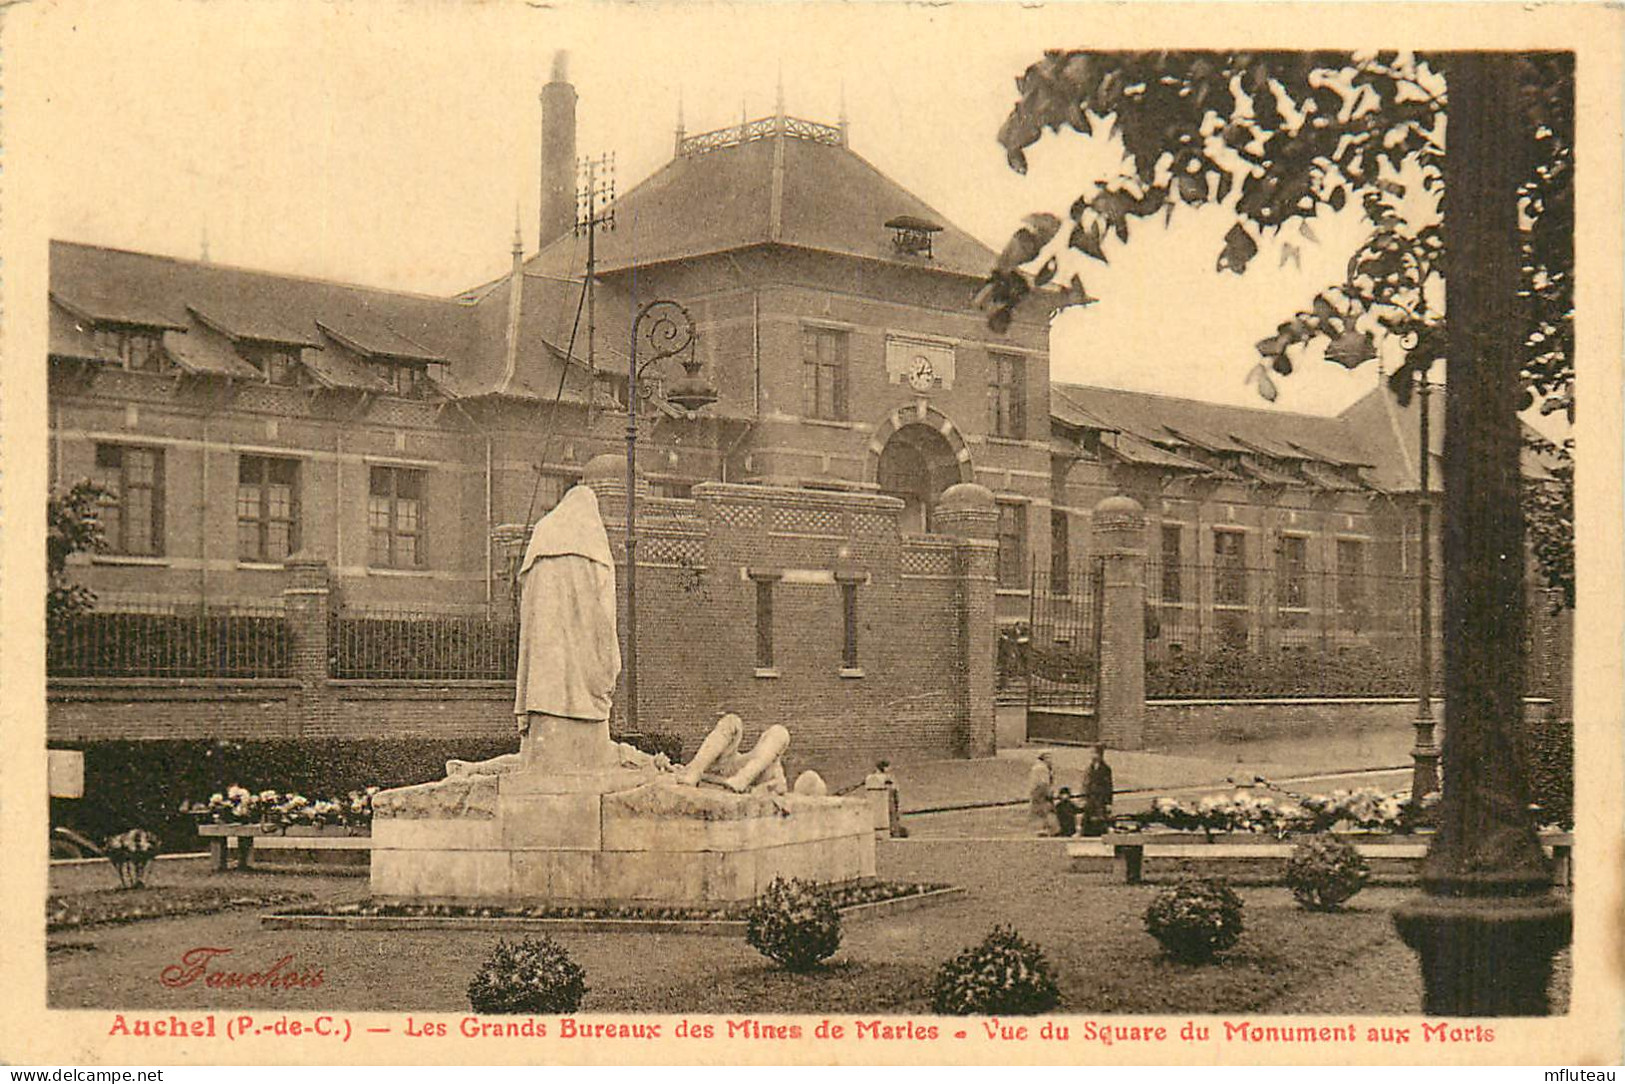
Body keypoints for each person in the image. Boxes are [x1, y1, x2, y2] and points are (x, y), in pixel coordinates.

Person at [1081, 743, 1114, 836]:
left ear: (1100, 755)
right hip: (1090, 798)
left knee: (1100, 818)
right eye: (1091, 753)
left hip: (1100, 799)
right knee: (1088, 816)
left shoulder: (1106, 769)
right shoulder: (1089, 768)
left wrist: (1108, 802)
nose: (1093, 756)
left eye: (1094, 753)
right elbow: (1085, 784)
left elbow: (1108, 786)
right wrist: (1083, 797)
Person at [1028, 751, 1056, 834]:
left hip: (1037, 792)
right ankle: (1044, 828)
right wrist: (1049, 792)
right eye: (1048, 757)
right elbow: (1044, 783)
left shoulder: (1042, 767)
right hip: (1041, 793)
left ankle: (1043, 827)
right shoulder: (1041, 768)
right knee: (1043, 810)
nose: (1050, 760)